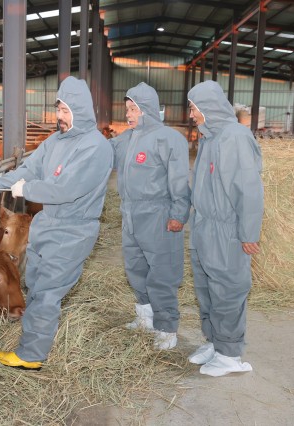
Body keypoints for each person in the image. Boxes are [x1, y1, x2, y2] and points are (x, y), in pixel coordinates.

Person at [0, 76, 114, 370]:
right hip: (48, 222)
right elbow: (29, 169)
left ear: (81, 109)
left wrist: (27, 190)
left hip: (73, 228)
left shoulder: (95, 147)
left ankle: (31, 354)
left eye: (66, 110)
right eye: (58, 109)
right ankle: (32, 342)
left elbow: (66, 189)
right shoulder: (55, 141)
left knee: (48, 291)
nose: (59, 116)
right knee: (35, 285)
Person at [187, 80, 264, 377]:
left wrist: (248, 234)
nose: (191, 114)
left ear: (208, 107)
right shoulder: (210, 138)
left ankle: (231, 354)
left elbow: (249, 189)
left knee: (228, 290)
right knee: (206, 288)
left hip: (227, 229)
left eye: (194, 108)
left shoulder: (235, 137)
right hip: (204, 226)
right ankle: (215, 341)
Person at [109, 82, 190, 350]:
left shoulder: (169, 138)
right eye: (127, 109)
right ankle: (145, 317)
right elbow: (101, 152)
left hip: (158, 213)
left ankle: (167, 328)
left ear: (146, 109)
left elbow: (179, 179)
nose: (128, 114)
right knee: (135, 267)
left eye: (133, 109)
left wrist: (179, 212)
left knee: (162, 271)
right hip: (130, 212)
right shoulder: (125, 138)